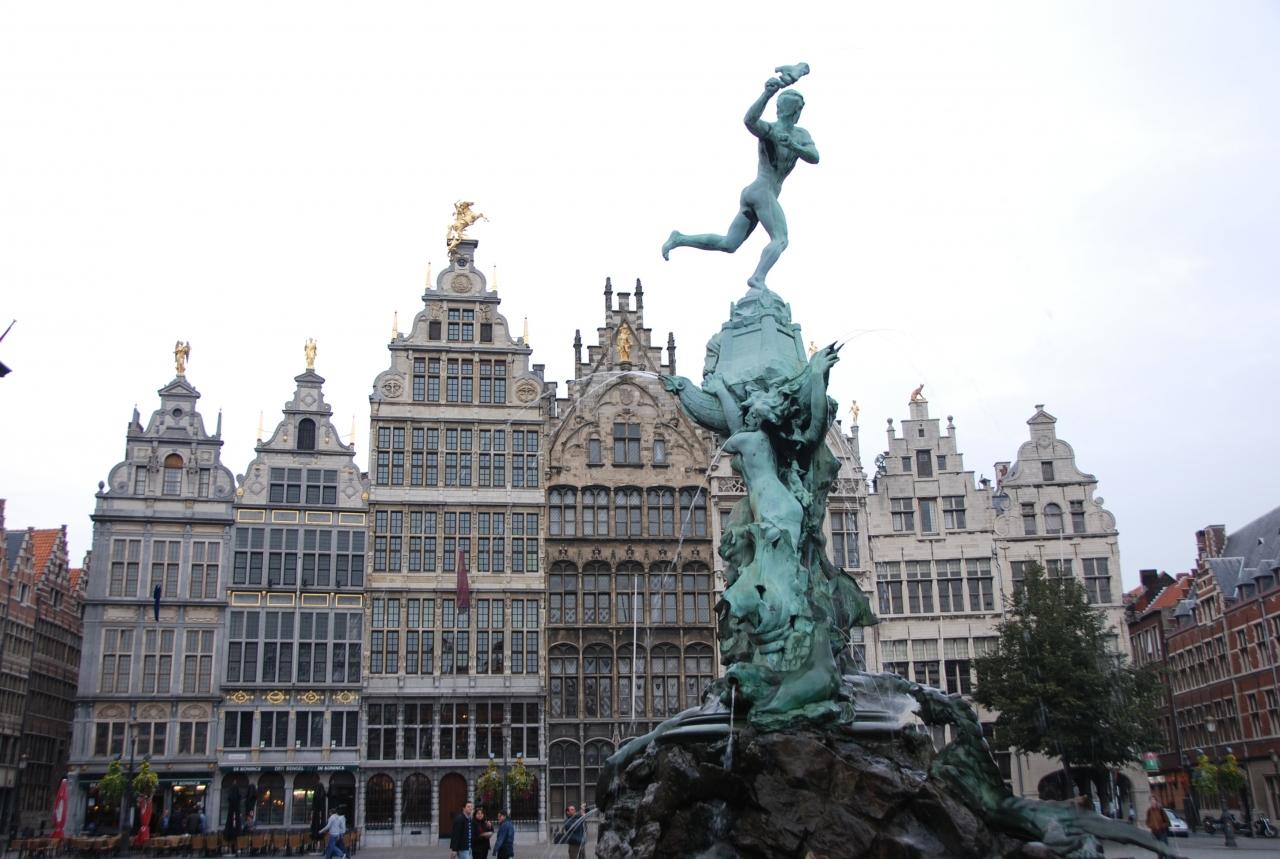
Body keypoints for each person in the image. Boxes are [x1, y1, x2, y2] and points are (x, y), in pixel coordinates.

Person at [661, 70, 819, 290]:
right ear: (796, 111)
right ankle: (758, 278)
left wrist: (793, 145)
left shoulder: (801, 136)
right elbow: (749, 120)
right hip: (762, 191)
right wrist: (766, 94)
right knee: (781, 239)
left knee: (729, 243)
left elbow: (814, 157)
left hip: (756, 193)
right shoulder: (771, 131)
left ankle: (680, 238)